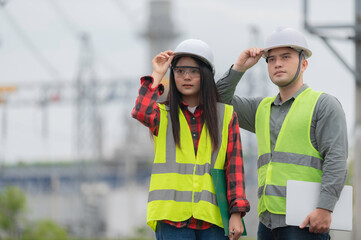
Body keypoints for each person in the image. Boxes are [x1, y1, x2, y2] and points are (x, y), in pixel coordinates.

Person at [216, 26, 348, 240]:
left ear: (304, 64)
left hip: (306, 221)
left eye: (286, 57)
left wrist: (325, 208)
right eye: (271, 59)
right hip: (267, 223)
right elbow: (217, 100)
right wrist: (239, 68)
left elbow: (336, 159)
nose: (277, 63)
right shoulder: (261, 109)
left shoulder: (323, 105)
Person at [131, 39, 250, 240]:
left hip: (212, 219)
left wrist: (236, 213)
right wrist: (158, 74)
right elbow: (141, 111)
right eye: (179, 71)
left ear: (206, 75)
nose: (186, 77)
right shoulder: (163, 114)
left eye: (194, 71)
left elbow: (234, 168)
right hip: (171, 220)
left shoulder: (226, 116)